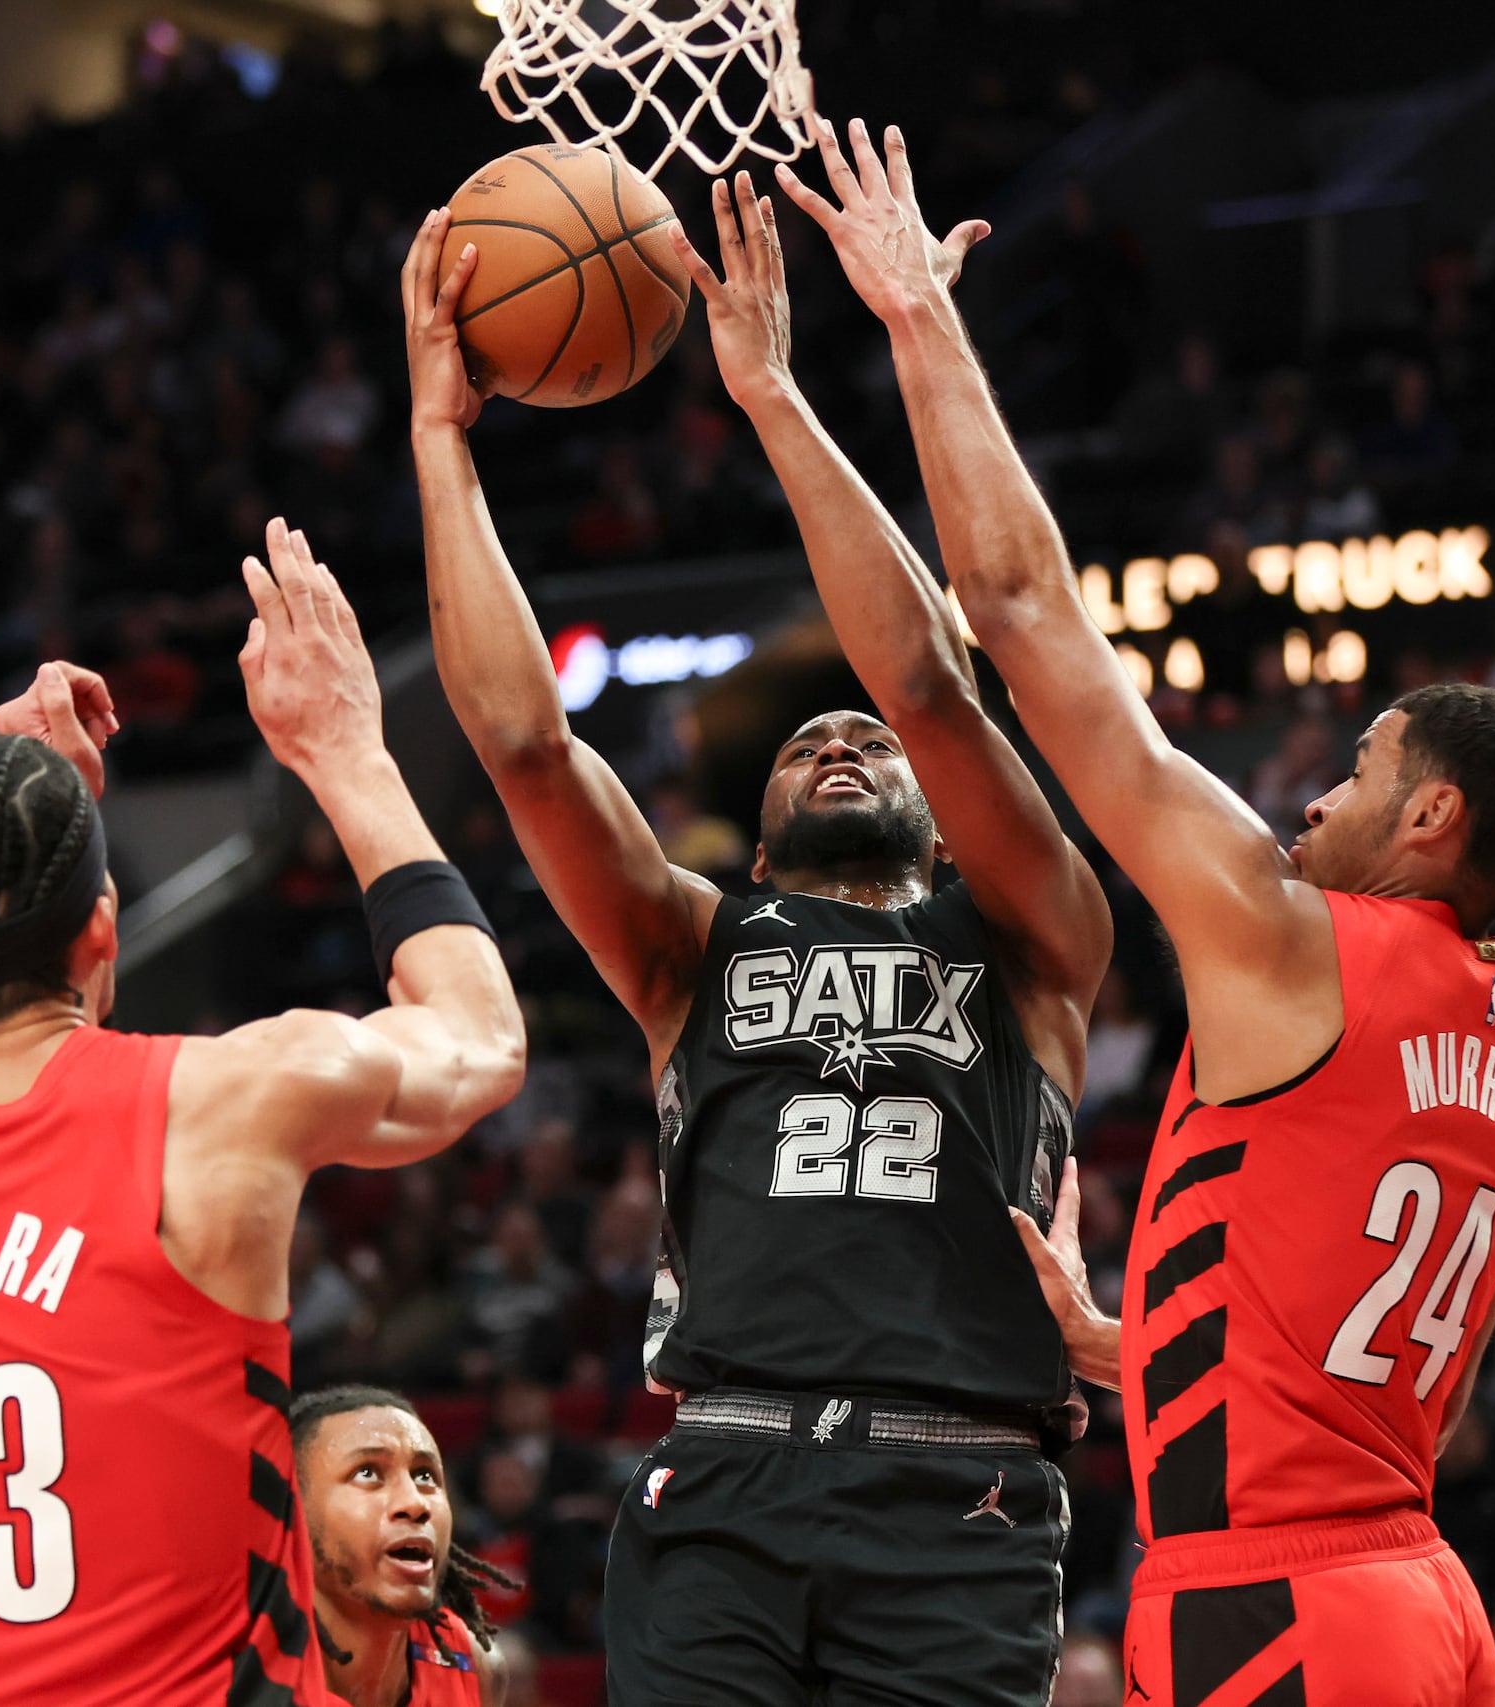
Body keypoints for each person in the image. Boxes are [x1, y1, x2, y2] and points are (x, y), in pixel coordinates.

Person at [778, 118, 1495, 1705]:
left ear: (1431, 819)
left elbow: (1020, 612)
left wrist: (918, 320)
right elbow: (1393, 1382)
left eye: (1358, 773)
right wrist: (1128, 1342)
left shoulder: (1292, 936)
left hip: (1273, 1593)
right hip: (1416, 1593)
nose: (1311, 803)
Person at [404, 162, 1111, 1707]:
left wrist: (774, 393)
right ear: (763, 804)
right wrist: (441, 438)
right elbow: (524, 744)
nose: (843, 741)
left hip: (962, 1490)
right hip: (724, 1474)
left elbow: (930, 678)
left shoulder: (1036, 932)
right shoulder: (687, 944)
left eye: (866, 740)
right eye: (805, 743)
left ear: (942, 804)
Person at [0, 520, 526, 1704]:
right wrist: (345, 754)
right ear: (106, 931)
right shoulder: (224, 1107)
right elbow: (480, 1041)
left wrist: (15, 814)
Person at [289, 1385, 516, 1707]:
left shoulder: (472, 1663)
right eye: (367, 1472)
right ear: (293, 1511)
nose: (415, 1502)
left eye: (424, 1476)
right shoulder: (239, 1679)